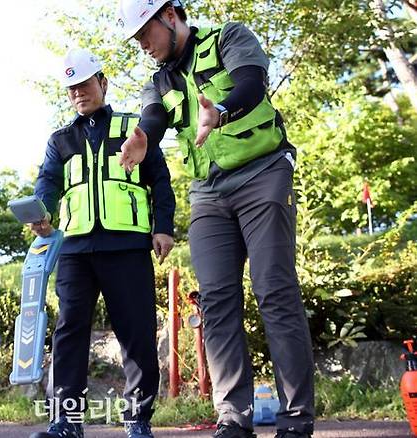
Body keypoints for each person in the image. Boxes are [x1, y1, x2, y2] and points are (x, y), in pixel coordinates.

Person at [115, 1, 315, 438]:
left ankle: (296, 420)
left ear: (170, 15)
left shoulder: (229, 37)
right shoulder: (159, 80)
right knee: (216, 301)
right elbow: (153, 115)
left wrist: (219, 112)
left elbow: (251, 83)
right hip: (208, 192)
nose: (143, 45)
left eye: (145, 33)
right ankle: (233, 419)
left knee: (273, 289)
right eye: (137, 40)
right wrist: (145, 137)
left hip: (264, 172)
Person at [29, 47, 176, 438]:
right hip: (76, 250)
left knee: (136, 332)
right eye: (72, 88)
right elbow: (47, 183)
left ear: (103, 83)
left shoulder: (134, 129)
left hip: (126, 246)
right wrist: (40, 212)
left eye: (85, 84)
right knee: (69, 331)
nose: (79, 93)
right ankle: (66, 421)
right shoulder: (60, 140)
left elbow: (159, 180)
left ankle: (137, 420)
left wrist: (163, 227)